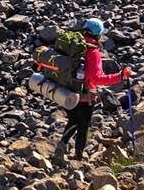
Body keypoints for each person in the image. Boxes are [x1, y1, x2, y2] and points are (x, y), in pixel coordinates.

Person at [54, 18, 132, 162]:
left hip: (67, 89)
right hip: (85, 95)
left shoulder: (74, 44)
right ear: (98, 34)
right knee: (82, 125)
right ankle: (76, 156)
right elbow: (97, 79)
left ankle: (63, 146)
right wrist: (120, 76)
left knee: (74, 120)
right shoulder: (93, 51)